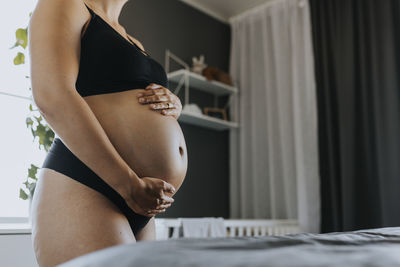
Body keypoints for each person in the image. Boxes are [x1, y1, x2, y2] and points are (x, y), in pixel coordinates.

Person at [28, 0, 188, 266]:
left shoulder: (132, 40)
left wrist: (174, 105)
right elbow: (51, 95)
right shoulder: (67, 4)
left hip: (142, 199)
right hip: (87, 184)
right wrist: (127, 185)